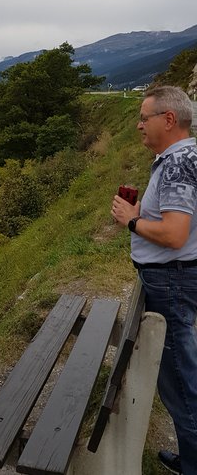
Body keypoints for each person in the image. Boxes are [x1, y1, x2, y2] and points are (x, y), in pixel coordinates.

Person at [112, 86, 197, 473]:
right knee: (182, 374)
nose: (138, 124)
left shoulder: (178, 163)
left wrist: (131, 219)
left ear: (168, 119)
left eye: (144, 117)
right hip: (177, 277)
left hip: (172, 281)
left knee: (180, 381)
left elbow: (175, 234)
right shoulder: (186, 155)